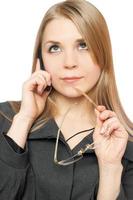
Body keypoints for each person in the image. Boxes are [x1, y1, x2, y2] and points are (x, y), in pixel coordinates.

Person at [0, 0, 133, 199]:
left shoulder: (125, 144)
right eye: (55, 48)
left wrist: (110, 169)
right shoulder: (6, 119)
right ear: (41, 59)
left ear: (103, 54)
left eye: (83, 46)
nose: (69, 62)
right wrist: (24, 120)